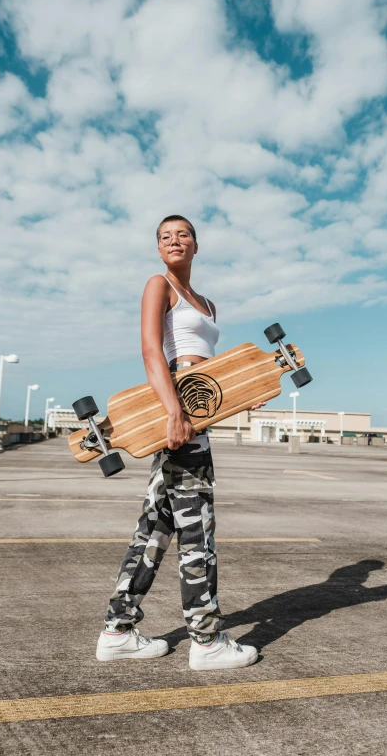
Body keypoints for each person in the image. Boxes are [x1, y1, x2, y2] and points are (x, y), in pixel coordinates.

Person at [96, 215, 262, 670]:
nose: (174, 240)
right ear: (158, 248)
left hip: (196, 415)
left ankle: (118, 629)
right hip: (177, 418)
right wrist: (173, 412)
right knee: (198, 530)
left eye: (182, 234)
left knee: (155, 528)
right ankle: (207, 640)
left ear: (196, 245)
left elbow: (213, 370)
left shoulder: (207, 302)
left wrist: (245, 396)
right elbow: (152, 350)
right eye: (165, 236)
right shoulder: (159, 285)